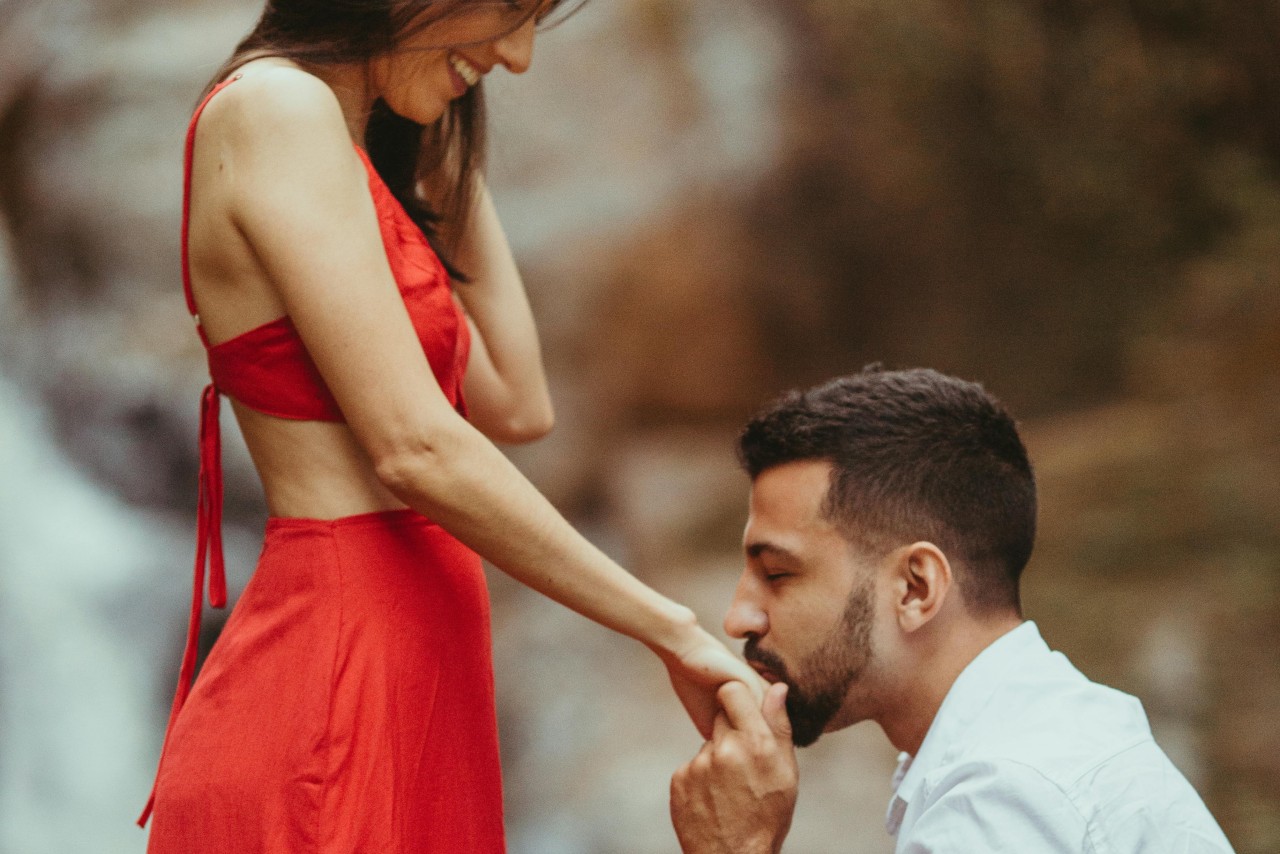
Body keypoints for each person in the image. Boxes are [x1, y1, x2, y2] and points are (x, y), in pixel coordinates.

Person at [138, 1, 764, 850]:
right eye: (513, 9)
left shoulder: (346, 145)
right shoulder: (274, 108)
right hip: (333, 685)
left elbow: (517, 399)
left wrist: (429, 128)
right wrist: (670, 629)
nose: (519, 56)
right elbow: (417, 446)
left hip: (409, 676)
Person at [669, 367, 1235, 853]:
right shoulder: (1031, 746)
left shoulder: (1003, 803)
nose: (739, 618)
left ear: (916, 588)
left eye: (777, 575)